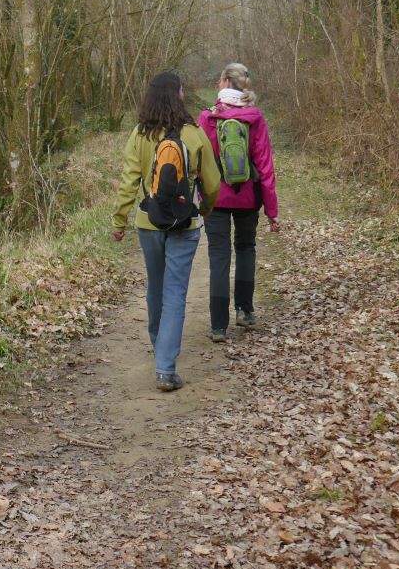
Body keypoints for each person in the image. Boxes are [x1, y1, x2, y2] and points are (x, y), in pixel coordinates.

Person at [112, 70, 220, 392]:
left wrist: (119, 222)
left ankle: (160, 345)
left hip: (148, 223)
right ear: (179, 95)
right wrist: (205, 208)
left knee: (156, 288)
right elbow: (212, 183)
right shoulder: (194, 134)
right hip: (184, 225)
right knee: (175, 293)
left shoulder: (139, 134)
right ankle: (165, 367)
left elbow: (129, 182)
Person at [197, 62, 279, 342]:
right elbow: (265, 166)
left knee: (219, 256)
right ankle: (245, 311)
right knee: (245, 249)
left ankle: (218, 325)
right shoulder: (254, 117)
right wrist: (272, 210)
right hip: (248, 197)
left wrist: (199, 197)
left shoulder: (207, 118)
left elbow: (199, 163)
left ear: (223, 81)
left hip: (216, 198)